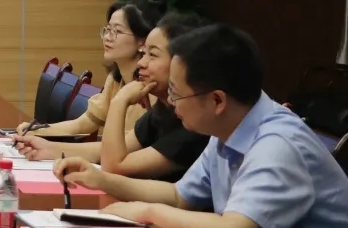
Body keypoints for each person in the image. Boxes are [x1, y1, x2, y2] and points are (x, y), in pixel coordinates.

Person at [55, 24, 348, 228]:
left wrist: (146, 213)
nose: (171, 101)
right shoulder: (229, 127)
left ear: (217, 100)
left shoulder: (277, 145)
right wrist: (101, 180)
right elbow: (179, 196)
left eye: (176, 92)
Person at [15, 12, 211, 181]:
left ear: (181, 63)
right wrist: (47, 148)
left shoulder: (193, 123)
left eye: (152, 55)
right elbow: (106, 151)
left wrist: (119, 101)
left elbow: (114, 165)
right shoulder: (162, 109)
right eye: (144, 54)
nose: (141, 63)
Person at [16, 0, 165, 137]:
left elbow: (126, 147)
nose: (107, 37)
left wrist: (45, 146)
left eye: (117, 31)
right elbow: (84, 124)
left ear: (142, 41)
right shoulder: (115, 80)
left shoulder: (149, 90)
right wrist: (36, 131)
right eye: (108, 30)